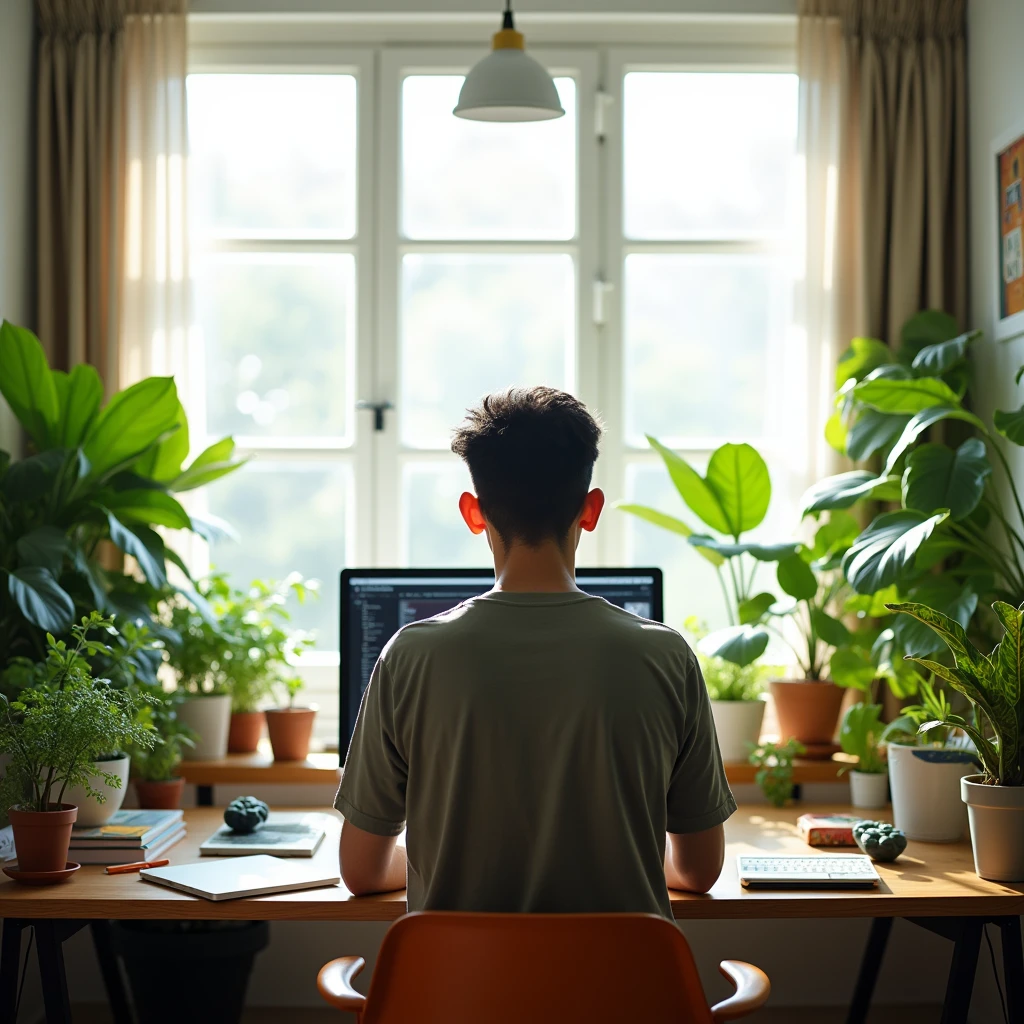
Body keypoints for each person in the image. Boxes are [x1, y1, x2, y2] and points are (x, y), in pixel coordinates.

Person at [335, 386, 735, 915]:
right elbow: (700, 872)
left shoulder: (410, 656)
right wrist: (623, 853)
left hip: (459, 997)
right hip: (621, 997)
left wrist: (432, 857)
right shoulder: (667, 658)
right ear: (590, 510)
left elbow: (361, 873)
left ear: (474, 513)